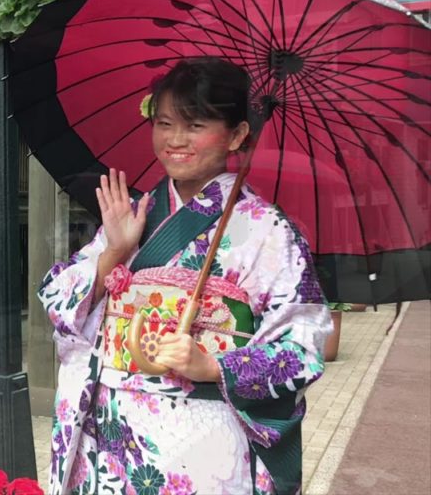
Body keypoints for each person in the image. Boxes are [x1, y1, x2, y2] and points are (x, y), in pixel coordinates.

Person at [39, 57, 332, 495]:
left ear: (237, 134)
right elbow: (57, 297)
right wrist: (114, 251)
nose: (175, 140)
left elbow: (303, 346)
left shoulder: (268, 231)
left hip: (200, 438)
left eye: (195, 125)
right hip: (112, 428)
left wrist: (213, 365)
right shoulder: (137, 212)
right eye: (164, 123)